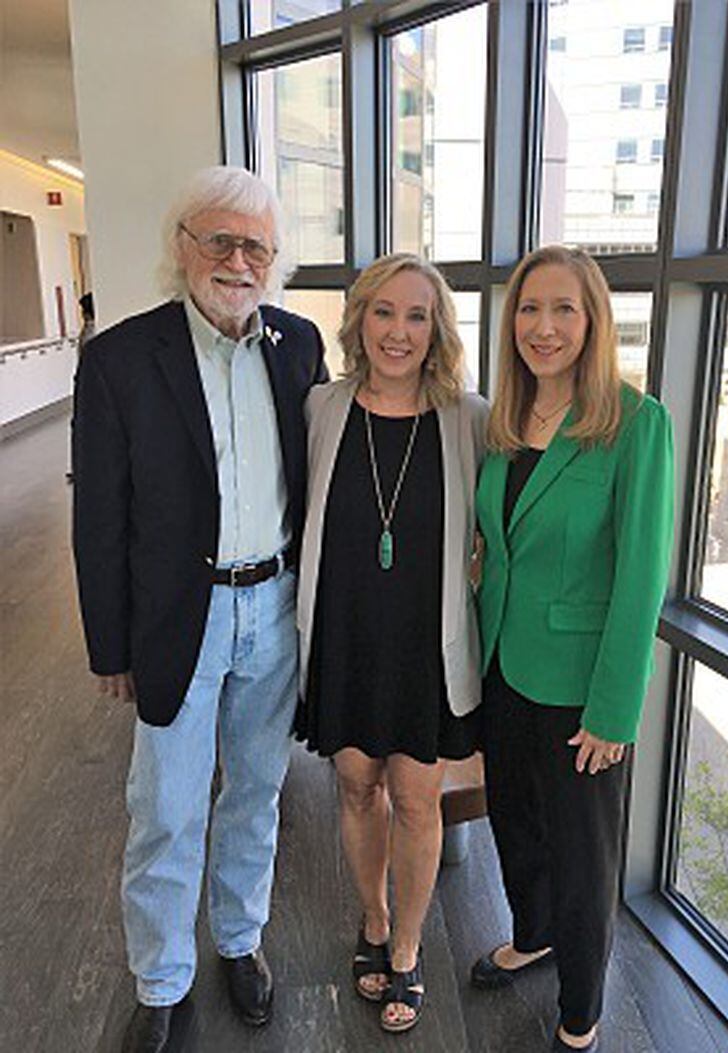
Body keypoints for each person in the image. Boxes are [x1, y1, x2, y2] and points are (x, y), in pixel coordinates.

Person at [71, 166, 327, 1053]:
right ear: (181, 247)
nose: (238, 259)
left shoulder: (298, 345)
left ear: (274, 262)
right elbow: (98, 514)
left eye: (256, 246)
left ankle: (239, 939)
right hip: (180, 616)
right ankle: (160, 981)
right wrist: (110, 643)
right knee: (168, 806)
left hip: (276, 605)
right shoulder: (118, 357)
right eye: (219, 240)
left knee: (257, 793)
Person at [471, 246, 674, 1052]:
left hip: (579, 686)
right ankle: (535, 931)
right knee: (515, 822)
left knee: (586, 857)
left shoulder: (634, 423)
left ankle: (583, 1007)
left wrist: (615, 708)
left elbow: (641, 578)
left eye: (562, 309)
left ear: (592, 322)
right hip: (501, 666)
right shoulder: (503, 422)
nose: (543, 327)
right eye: (528, 309)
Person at [295, 253, 487, 1034]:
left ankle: (405, 944)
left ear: (437, 330)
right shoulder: (320, 408)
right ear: (360, 320)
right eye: (384, 312)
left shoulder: (468, 418)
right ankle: (372, 919)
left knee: (416, 798)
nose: (398, 332)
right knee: (353, 786)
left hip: (425, 647)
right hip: (343, 636)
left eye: (416, 316)